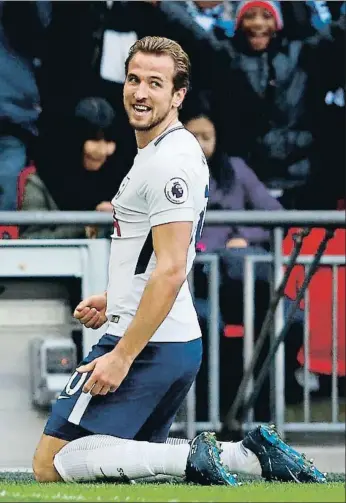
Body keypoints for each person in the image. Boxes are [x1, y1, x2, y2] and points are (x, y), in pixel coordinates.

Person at [32, 36, 326, 486]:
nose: (140, 92)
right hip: (162, 334)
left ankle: (196, 459)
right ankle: (249, 455)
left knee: (52, 464)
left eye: (155, 82)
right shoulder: (166, 149)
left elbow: (171, 268)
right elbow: (160, 255)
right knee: (130, 458)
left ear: (178, 95)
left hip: (147, 341)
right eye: (134, 79)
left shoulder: (168, 161)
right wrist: (116, 295)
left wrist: (122, 356)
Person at [19, 97, 118, 240]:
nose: (103, 150)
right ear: (74, 140)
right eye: (94, 139)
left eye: (108, 140)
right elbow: (31, 240)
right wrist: (86, 224)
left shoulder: (118, 179)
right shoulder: (40, 182)